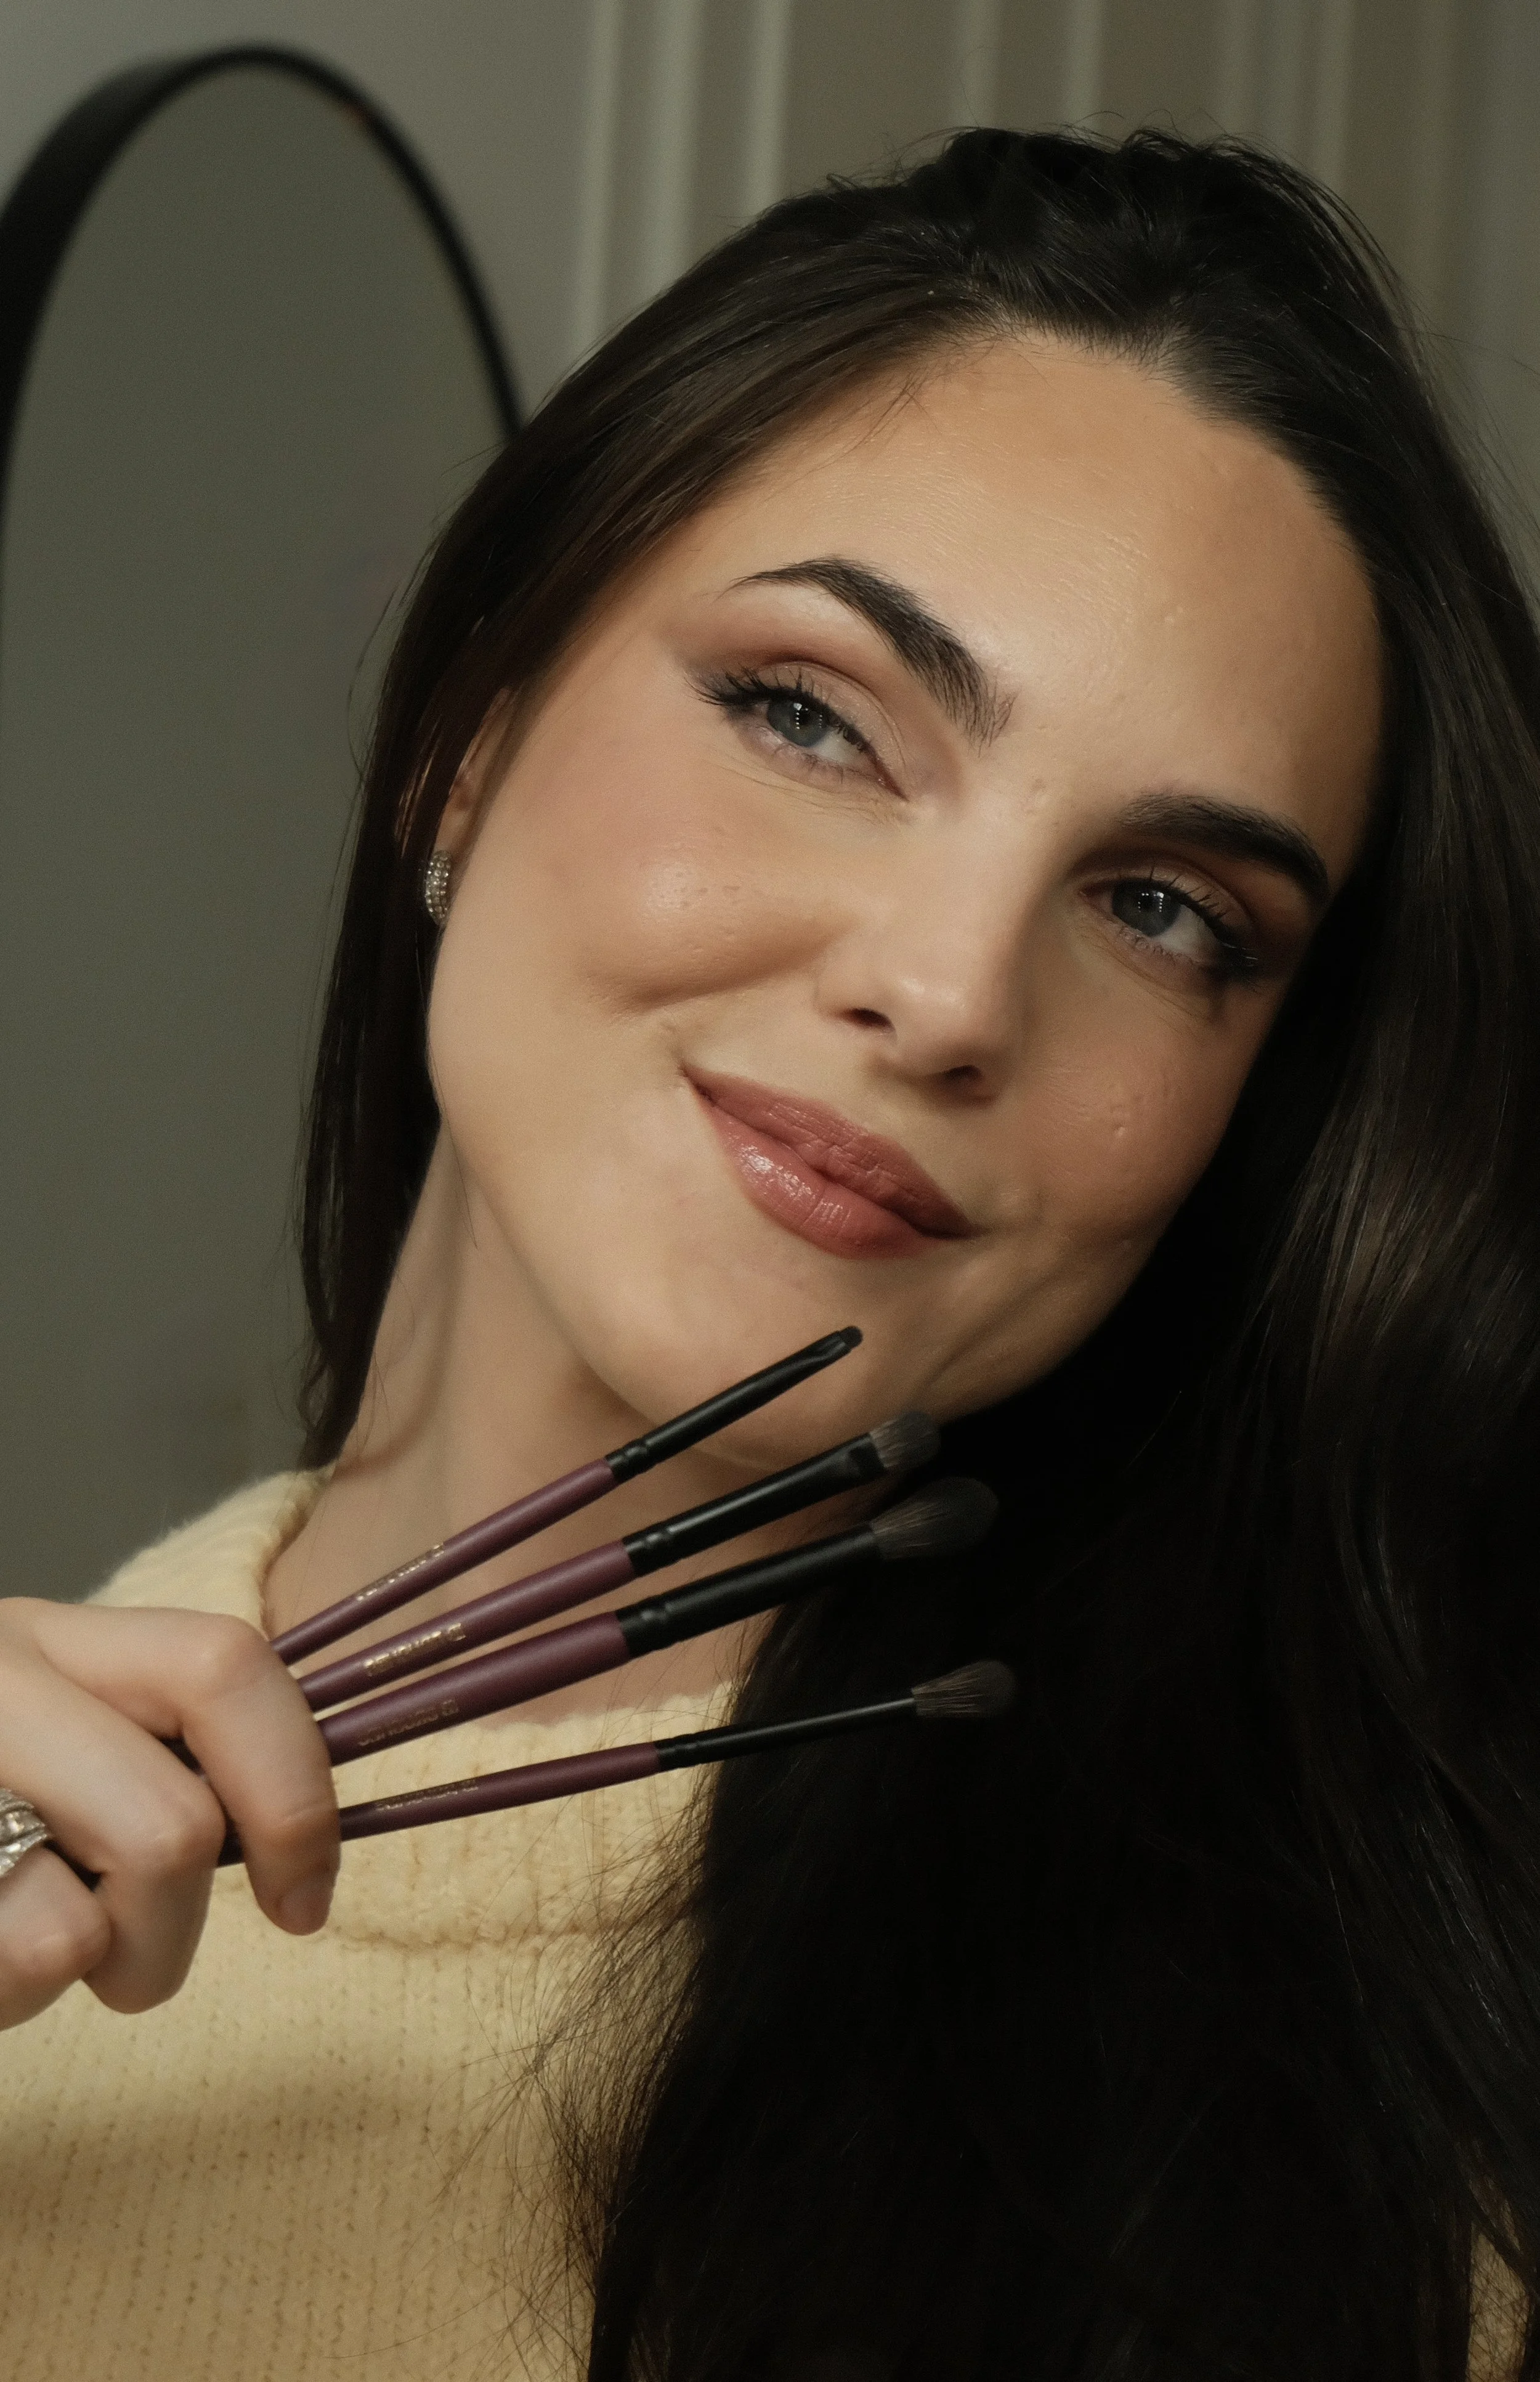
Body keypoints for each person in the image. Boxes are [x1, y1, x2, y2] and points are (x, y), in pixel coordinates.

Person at [1, 123, 1538, 2381]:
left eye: (1161, 909)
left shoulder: (1383, 2165)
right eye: (811, 717)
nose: (945, 992)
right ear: (467, 724)